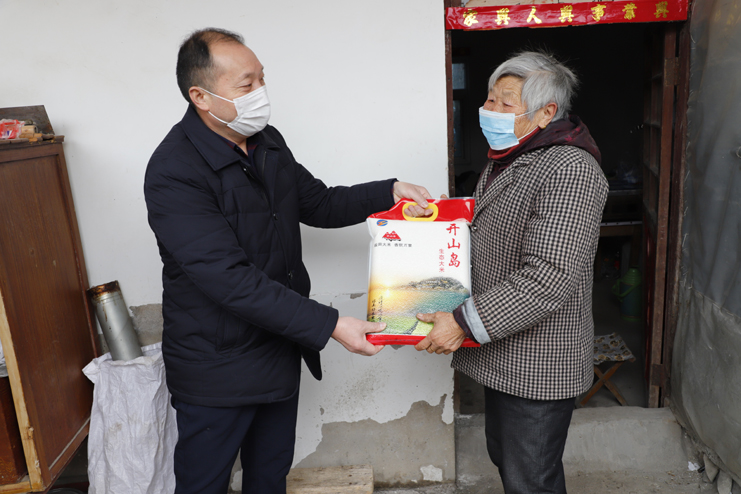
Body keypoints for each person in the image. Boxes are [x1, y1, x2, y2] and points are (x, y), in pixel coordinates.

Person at [143, 28, 434, 494]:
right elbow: (230, 280)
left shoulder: (266, 142)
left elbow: (318, 203)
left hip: (278, 348)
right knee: (203, 484)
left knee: (269, 476)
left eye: (262, 78)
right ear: (201, 96)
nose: (260, 92)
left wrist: (389, 192)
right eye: (246, 84)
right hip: (216, 368)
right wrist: (331, 324)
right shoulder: (174, 171)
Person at [414, 51, 608, 494]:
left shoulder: (571, 170)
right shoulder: (512, 156)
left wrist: (461, 322)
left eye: (506, 103)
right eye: (489, 99)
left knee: (531, 479)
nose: (490, 110)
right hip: (505, 352)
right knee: (507, 457)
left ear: (546, 113)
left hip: (539, 361)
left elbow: (546, 277)